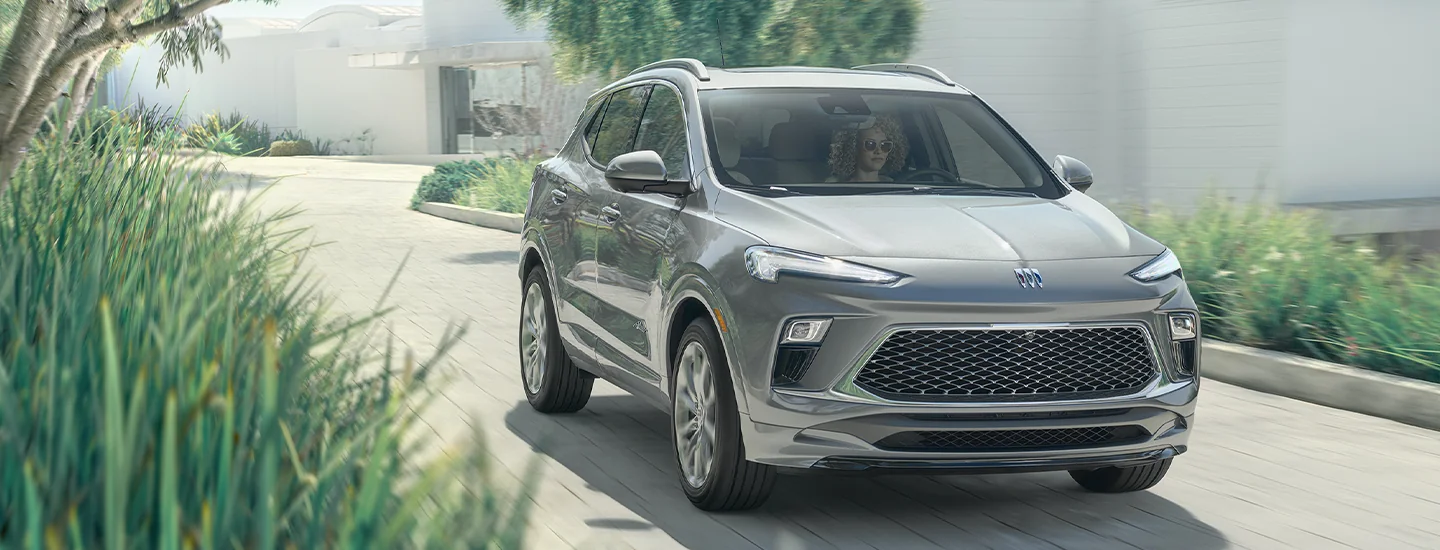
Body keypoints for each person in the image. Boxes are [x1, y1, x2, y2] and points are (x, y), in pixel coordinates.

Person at [827, 114, 908, 182]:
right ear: (854, 147)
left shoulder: (895, 187)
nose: (879, 151)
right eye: (870, 144)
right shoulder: (837, 189)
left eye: (885, 145)